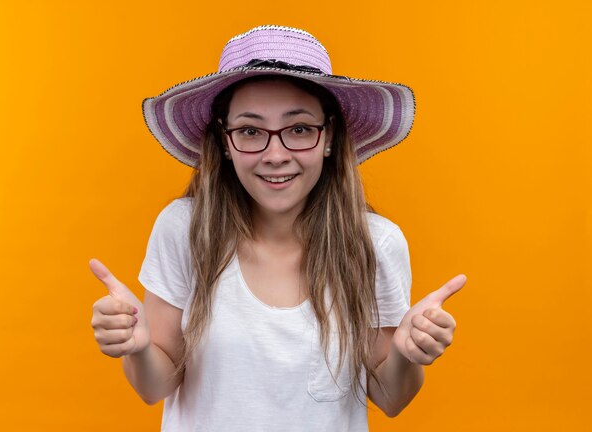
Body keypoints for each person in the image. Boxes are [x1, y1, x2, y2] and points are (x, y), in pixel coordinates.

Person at [89, 25, 466, 431]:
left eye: (299, 129)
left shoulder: (375, 243)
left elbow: (391, 399)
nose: (275, 154)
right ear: (225, 142)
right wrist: (138, 347)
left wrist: (409, 354)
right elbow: (154, 387)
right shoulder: (184, 229)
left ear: (329, 136)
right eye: (251, 131)